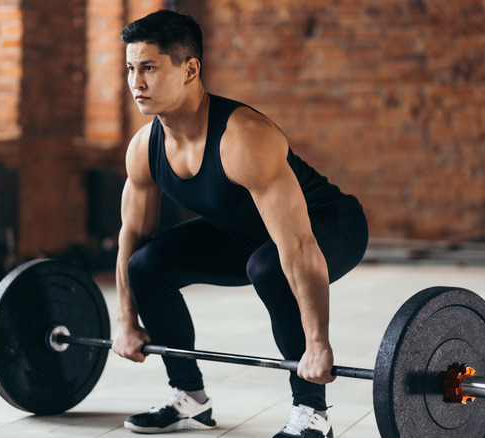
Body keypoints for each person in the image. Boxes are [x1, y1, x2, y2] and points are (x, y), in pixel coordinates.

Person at [112, 9, 368, 437]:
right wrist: (124, 320)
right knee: (145, 264)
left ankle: (312, 416)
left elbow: (298, 246)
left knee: (269, 267)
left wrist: (318, 344)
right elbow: (132, 235)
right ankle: (190, 399)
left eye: (150, 68)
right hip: (246, 235)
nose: (136, 83)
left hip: (328, 224)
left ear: (190, 69)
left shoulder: (244, 138)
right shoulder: (144, 148)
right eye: (130, 69)